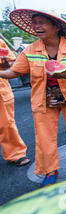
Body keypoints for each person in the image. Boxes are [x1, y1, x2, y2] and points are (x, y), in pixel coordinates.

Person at [1, 9, 66, 187]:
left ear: (56, 26)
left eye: (41, 22)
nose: (37, 26)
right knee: (44, 137)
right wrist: (1, 73)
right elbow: (15, 71)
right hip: (43, 99)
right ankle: (49, 169)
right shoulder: (30, 50)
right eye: (35, 23)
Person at [0, 39, 30, 167]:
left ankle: (15, 153)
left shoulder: (0, 42)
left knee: (6, 124)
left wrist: (5, 61)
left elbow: (9, 65)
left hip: (1, 88)